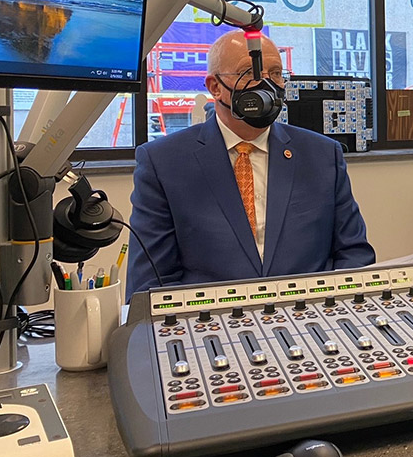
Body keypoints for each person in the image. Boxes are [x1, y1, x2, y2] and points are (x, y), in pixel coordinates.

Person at [126, 30, 375, 298]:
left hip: (311, 319)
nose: (266, 84)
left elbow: (354, 256)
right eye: (249, 72)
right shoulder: (163, 162)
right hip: (211, 327)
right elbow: (151, 284)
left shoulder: (323, 155)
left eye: (276, 73)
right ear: (215, 87)